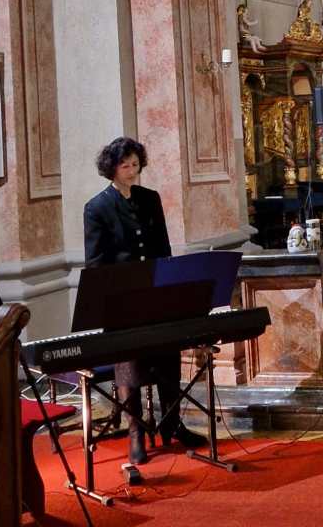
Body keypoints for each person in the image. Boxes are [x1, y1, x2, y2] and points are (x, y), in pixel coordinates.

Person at [84, 137, 206, 465]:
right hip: (122, 300)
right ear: (111, 168)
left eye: (135, 164)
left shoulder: (150, 199)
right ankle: (135, 431)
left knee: (168, 356)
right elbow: (96, 264)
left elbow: (162, 249)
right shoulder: (97, 208)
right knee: (130, 364)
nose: (131, 170)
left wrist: (168, 287)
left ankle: (172, 423)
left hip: (155, 293)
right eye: (125, 165)